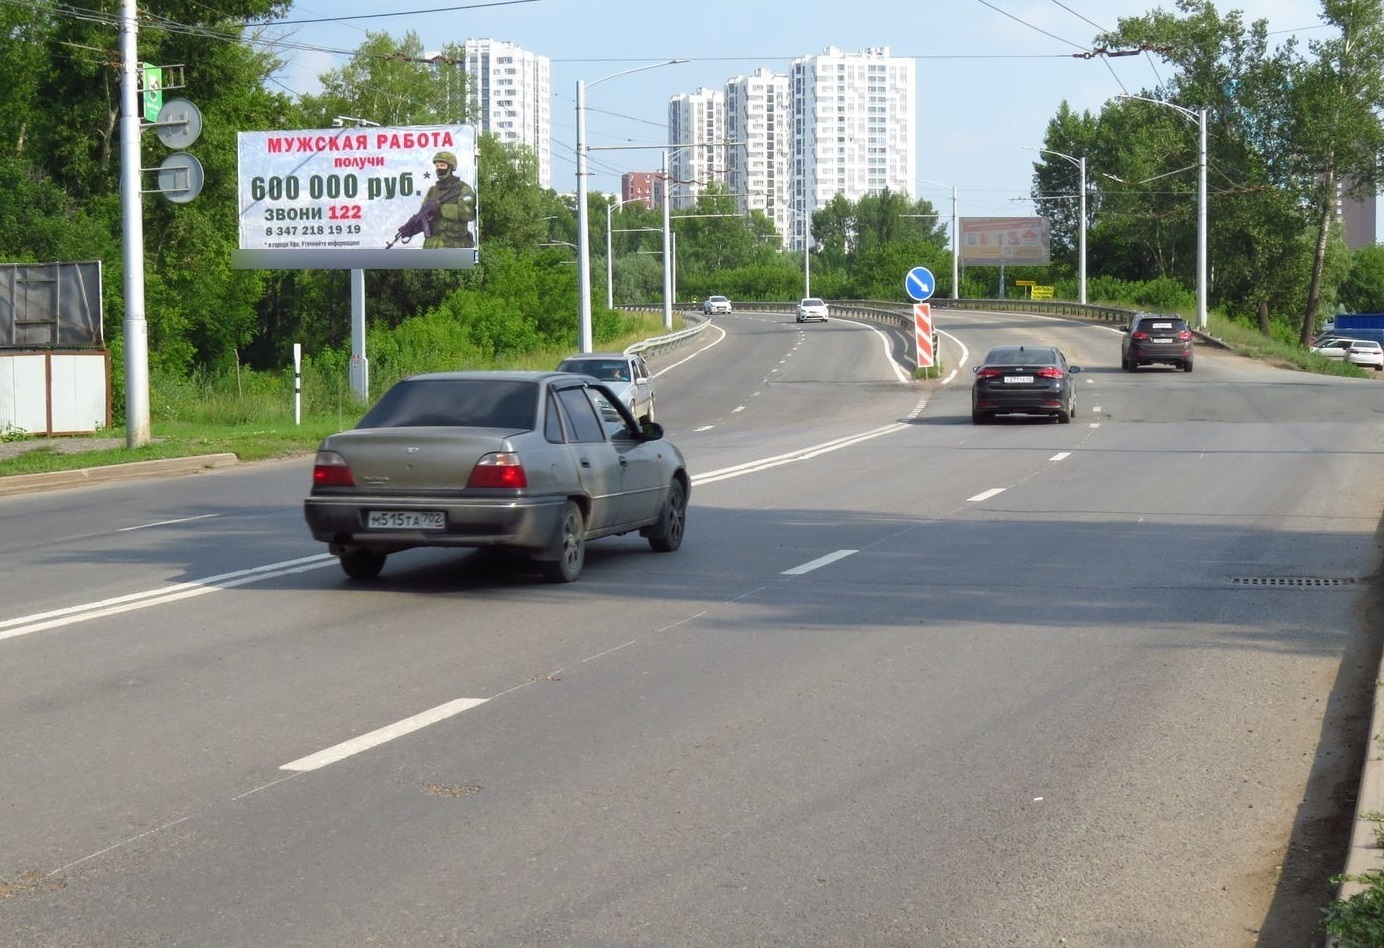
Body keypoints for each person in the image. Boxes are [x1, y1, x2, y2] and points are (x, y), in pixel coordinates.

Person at [419, 150, 476, 249]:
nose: (439, 168)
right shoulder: (432, 190)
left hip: (454, 244)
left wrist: (442, 209)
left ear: (450, 167)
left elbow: (470, 213)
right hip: (432, 244)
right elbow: (423, 212)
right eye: (437, 166)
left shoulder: (463, 188)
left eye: (442, 165)